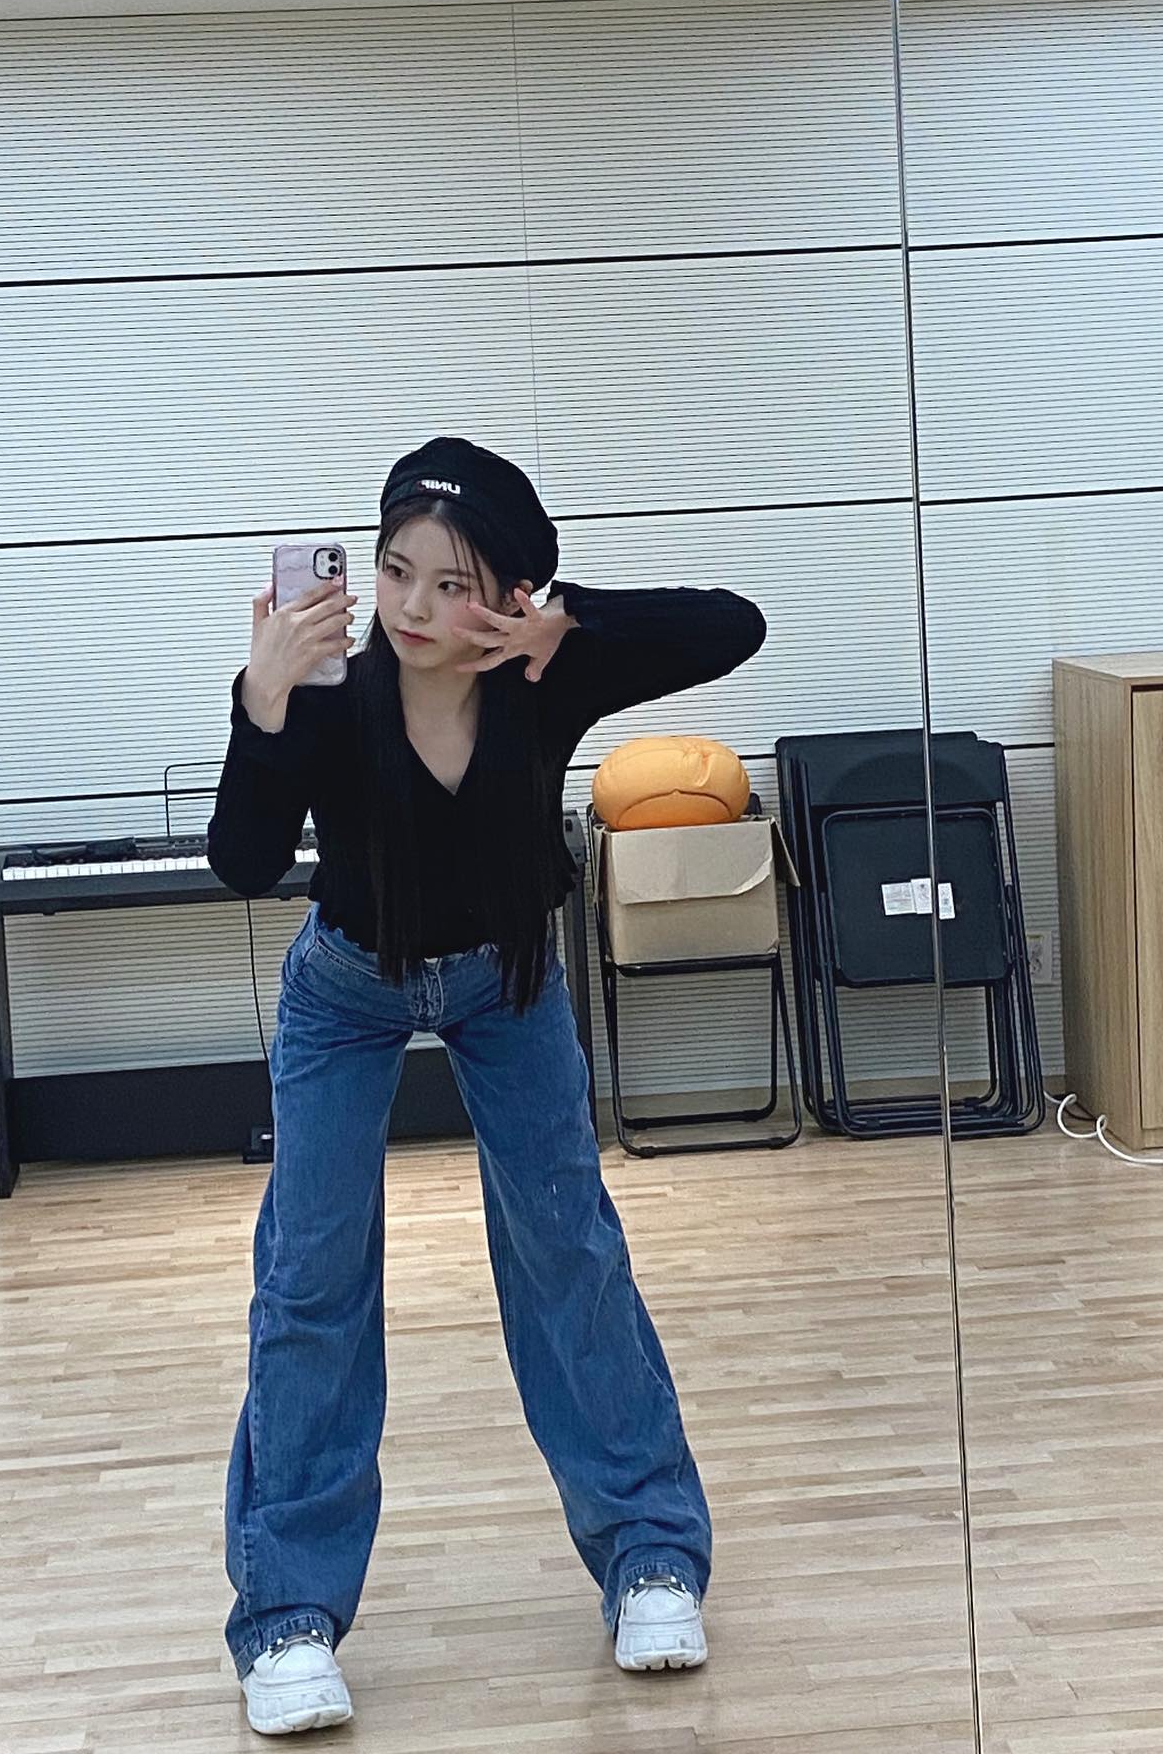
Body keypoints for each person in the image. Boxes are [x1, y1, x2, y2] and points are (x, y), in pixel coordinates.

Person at [206, 435, 767, 1736]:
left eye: (452, 583)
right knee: (312, 1277)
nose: (412, 607)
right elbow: (243, 862)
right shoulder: (332, 693)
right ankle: (287, 1617)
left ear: (509, 595)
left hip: (505, 987)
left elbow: (732, 624)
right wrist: (262, 699)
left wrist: (571, 621)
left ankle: (651, 1557)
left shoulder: (539, 675)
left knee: (571, 1252)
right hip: (346, 993)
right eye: (396, 569)